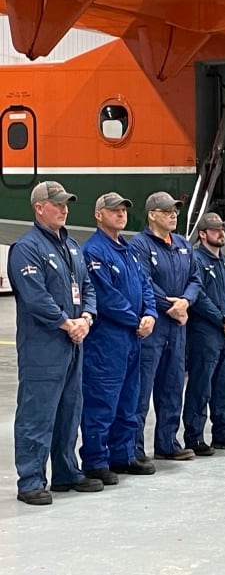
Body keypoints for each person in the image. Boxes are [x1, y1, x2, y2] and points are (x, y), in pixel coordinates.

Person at [8, 181, 103, 505]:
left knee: (69, 410)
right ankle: (31, 480)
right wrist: (66, 323)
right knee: (38, 413)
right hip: (44, 345)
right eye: (57, 203)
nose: (64, 209)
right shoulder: (26, 248)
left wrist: (86, 319)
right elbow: (36, 297)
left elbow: (88, 287)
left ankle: (66, 472)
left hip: (73, 342)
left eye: (66, 204)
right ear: (39, 207)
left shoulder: (72, 247)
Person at [80, 193, 158, 483]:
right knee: (102, 401)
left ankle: (122, 455)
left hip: (134, 337)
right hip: (108, 340)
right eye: (114, 210)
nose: (121, 214)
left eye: (124, 209)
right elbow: (106, 298)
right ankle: (95, 461)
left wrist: (150, 314)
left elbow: (146, 285)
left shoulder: (129, 250)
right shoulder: (94, 252)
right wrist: (136, 319)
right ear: (99, 215)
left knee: (129, 399)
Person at [129, 191, 201, 462]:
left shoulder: (183, 244)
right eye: (167, 211)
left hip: (178, 326)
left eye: (175, 211)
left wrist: (185, 301)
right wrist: (170, 306)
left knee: (172, 386)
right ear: (152, 215)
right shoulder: (139, 245)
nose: (174, 215)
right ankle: (134, 448)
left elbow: (196, 279)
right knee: (142, 387)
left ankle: (168, 442)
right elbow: (143, 281)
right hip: (156, 325)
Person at [183, 213, 225, 455]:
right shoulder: (196, 261)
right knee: (201, 385)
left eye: (222, 229)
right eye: (215, 230)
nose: (221, 233)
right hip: (205, 332)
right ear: (202, 234)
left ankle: (223, 433)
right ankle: (194, 436)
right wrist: (222, 319)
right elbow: (198, 297)